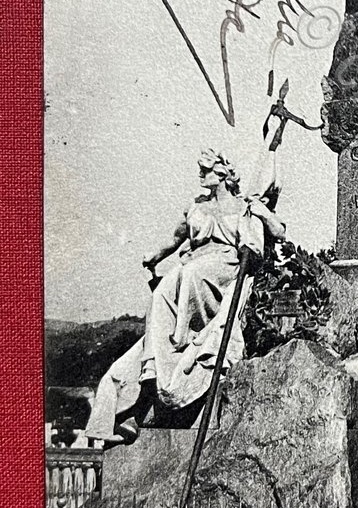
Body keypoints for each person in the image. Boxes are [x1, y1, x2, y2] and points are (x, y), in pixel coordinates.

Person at [82, 150, 286, 446]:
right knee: (165, 287)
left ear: (223, 175)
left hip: (223, 266)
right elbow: (175, 239)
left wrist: (264, 214)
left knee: (191, 273)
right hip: (193, 264)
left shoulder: (244, 206)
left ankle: (179, 337)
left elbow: (278, 232)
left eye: (206, 170)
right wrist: (155, 255)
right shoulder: (196, 207)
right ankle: (155, 363)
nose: (201, 175)